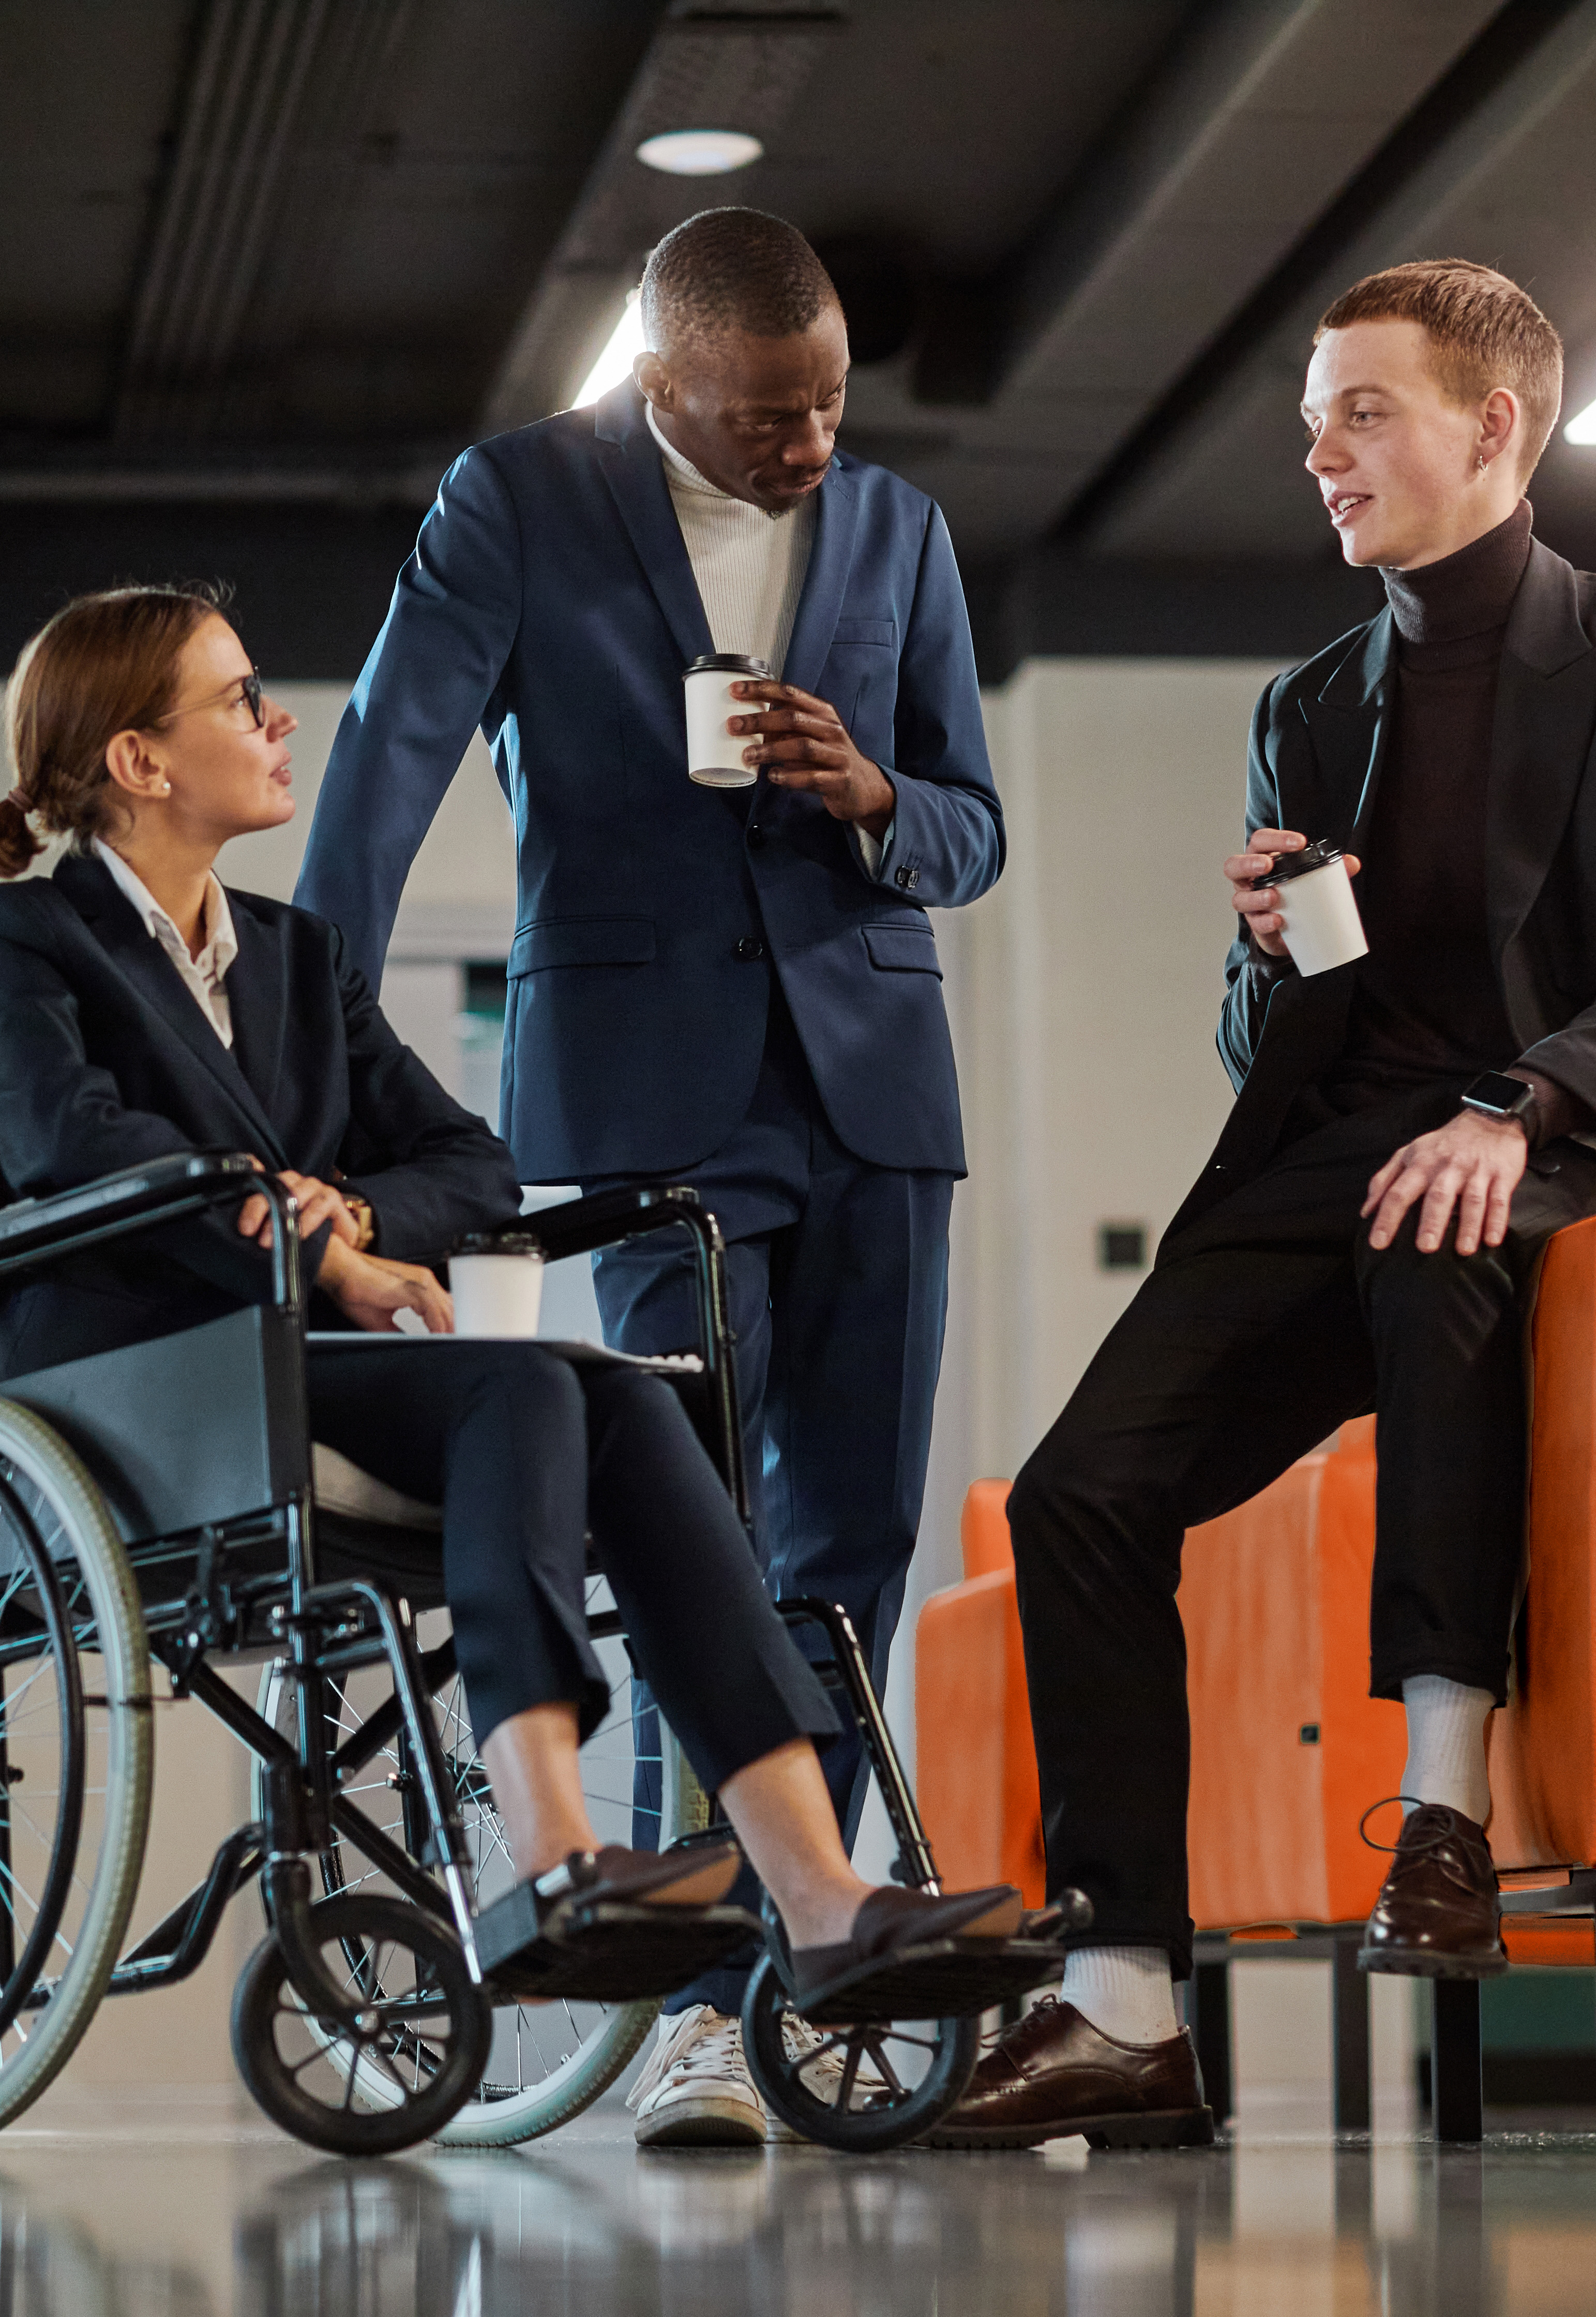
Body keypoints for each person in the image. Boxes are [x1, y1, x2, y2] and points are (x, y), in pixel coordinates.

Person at [930, 260, 1596, 2150]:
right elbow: (1277, 1050)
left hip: (1577, 1145)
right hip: (1348, 1151)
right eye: (1314, 420)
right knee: (1084, 1495)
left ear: (1496, 426)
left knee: (1445, 1233)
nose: (1319, 454)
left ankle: (1446, 1818)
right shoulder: (1314, 702)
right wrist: (1268, 948)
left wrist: (1519, 1098)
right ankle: (1126, 2004)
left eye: (1361, 413)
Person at [0, 584, 1017, 2007]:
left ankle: (817, 1896)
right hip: (138, 1381)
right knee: (522, 1380)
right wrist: (319, 1246)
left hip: (302, 1365)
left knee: (617, 1402)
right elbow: (70, 1141)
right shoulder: (18, 937)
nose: (282, 723)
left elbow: (476, 1167)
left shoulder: (298, 961)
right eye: (241, 700)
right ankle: (549, 1854)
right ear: (139, 761)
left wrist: (365, 1215)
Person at [292, 207, 1002, 2143]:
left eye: (833, 404)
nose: (810, 444)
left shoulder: (902, 534)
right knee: (703, 1531)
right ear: (664, 380)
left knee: (850, 1539)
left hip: (876, 1085)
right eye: (770, 415)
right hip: (644, 1100)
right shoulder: (519, 501)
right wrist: (313, 1066)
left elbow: (972, 826)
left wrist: (873, 799)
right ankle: (704, 2008)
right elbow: (384, 767)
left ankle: (806, 1950)